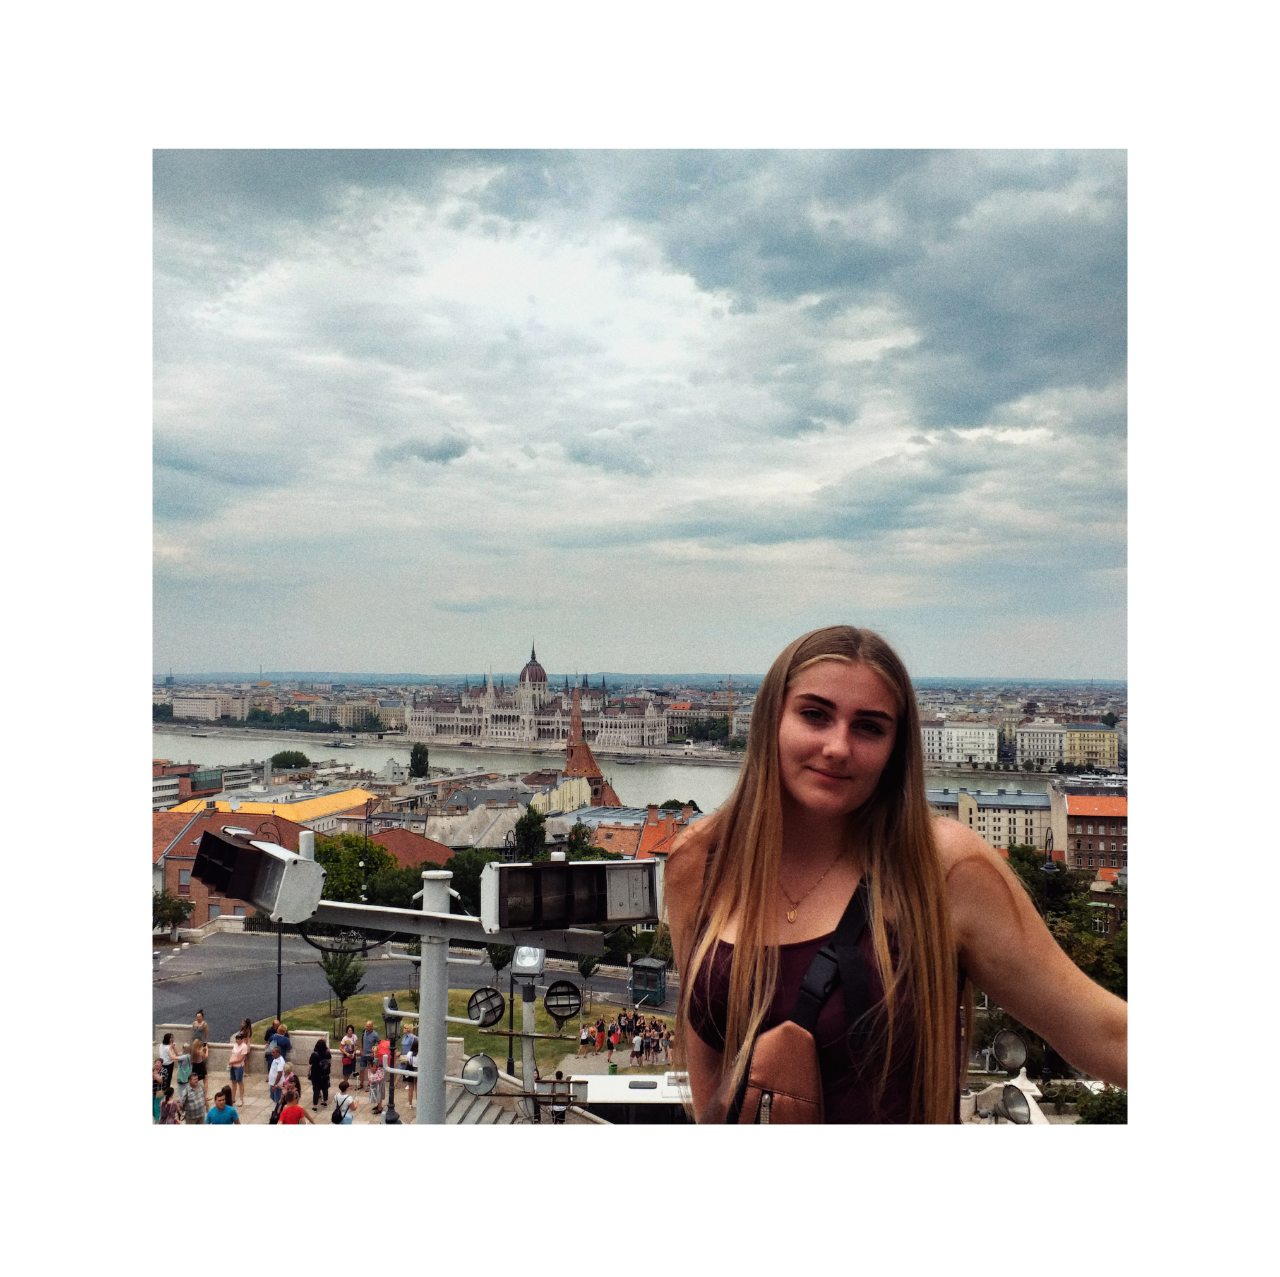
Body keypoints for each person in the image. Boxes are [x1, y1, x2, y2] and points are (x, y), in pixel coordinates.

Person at [665, 624, 1128, 1124]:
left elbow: (1103, 1034)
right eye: (815, 715)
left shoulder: (942, 869)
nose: (837, 747)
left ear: (895, 750)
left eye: (869, 727)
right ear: (770, 720)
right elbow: (711, 1084)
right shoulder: (701, 861)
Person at [308, 1039, 332, 1110]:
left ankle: (315, 1106)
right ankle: (325, 1102)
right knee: (325, 1088)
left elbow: (310, 1063)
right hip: (325, 1074)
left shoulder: (314, 1054)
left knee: (316, 1090)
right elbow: (329, 1062)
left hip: (316, 1075)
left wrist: (308, 1073)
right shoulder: (327, 1053)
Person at [228, 1031, 250, 1107]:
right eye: (236, 1039)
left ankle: (241, 1099)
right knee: (233, 1082)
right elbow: (233, 1054)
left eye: (238, 1039)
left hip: (239, 1067)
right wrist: (230, 1062)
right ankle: (233, 1098)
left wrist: (232, 1061)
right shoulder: (235, 1045)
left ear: (242, 1039)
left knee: (240, 1082)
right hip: (232, 1066)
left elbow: (241, 1059)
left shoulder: (244, 1047)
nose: (237, 1041)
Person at [267, 1043, 286, 1107]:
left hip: (277, 1084)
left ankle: (278, 1110)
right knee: (272, 1096)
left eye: (273, 1052)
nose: (272, 1054)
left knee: (277, 1099)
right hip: (272, 1083)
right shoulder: (275, 1059)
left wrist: (275, 1084)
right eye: (272, 1052)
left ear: (278, 1053)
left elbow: (279, 1074)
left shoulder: (280, 1061)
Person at [361, 1021, 378, 1089]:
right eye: (366, 1026)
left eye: (368, 1026)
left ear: (371, 1027)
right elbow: (362, 1040)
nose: (366, 1027)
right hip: (363, 1055)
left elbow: (379, 1043)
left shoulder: (375, 1035)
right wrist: (361, 1049)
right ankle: (361, 1084)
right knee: (361, 1069)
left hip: (370, 1056)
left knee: (370, 1071)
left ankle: (369, 1085)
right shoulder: (364, 1032)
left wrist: (374, 1052)